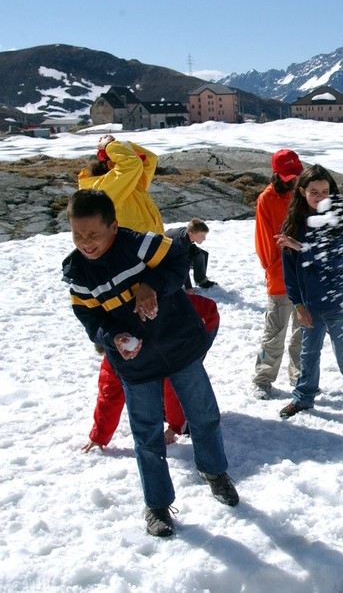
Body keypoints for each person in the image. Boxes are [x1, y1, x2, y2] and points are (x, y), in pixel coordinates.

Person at [63, 190, 238, 538]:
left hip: (180, 346)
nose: (86, 243)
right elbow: (89, 318)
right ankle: (157, 506)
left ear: (113, 226)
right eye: (78, 235)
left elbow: (178, 261)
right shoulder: (78, 272)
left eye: (93, 234)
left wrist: (150, 285)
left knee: (204, 416)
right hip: (135, 364)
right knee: (147, 437)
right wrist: (112, 338)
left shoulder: (139, 245)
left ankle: (214, 472)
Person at [274, 164, 343, 434]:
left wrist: (303, 248)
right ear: (302, 192)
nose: (320, 196)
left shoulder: (338, 219)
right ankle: (303, 397)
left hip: (338, 300)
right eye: (314, 191)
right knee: (308, 352)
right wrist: (297, 305)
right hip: (309, 302)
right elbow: (290, 273)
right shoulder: (294, 224)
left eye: (325, 191)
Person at [82, 293, 221, 452]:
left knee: (179, 375)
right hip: (169, 329)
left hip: (202, 319)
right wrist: (98, 436)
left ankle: (187, 419)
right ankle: (175, 412)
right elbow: (109, 392)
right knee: (151, 375)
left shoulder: (148, 335)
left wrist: (174, 427)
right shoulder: (117, 355)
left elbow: (173, 377)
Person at [251, 149, 304, 400]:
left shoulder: (305, 194)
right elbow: (263, 242)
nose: (293, 179)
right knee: (275, 332)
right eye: (289, 175)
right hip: (280, 276)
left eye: (296, 173)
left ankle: (301, 377)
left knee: (302, 331)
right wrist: (273, 267)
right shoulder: (266, 199)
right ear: (277, 174)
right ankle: (263, 379)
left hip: (305, 276)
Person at [78, 135, 164, 235]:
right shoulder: (103, 188)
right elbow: (132, 163)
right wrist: (108, 144)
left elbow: (150, 159)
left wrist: (122, 144)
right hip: (132, 248)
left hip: (145, 246)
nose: (139, 163)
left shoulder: (130, 183)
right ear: (111, 165)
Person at [165, 218, 216, 289]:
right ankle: (199, 281)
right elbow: (182, 266)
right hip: (166, 258)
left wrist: (192, 246)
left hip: (177, 248)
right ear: (191, 234)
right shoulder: (182, 242)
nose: (204, 239)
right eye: (202, 236)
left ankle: (201, 281)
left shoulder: (189, 232)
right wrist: (188, 287)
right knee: (194, 258)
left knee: (203, 254)